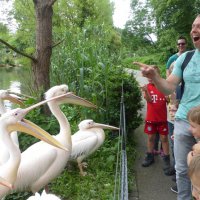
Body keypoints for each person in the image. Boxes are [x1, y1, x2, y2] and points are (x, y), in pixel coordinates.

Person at [133, 14, 200, 200]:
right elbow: (168, 87)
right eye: (193, 26)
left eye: (199, 26)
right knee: (181, 170)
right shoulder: (185, 58)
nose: (193, 30)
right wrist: (154, 77)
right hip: (183, 121)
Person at [141, 66, 171, 175]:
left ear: (157, 75)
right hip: (151, 118)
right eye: (148, 75)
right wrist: (145, 91)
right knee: (150, 137)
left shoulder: (164, 87)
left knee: (164, 138)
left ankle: (167, 160)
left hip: (162, 118)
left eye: (152, 75)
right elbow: (149, 100)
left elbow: (169, 101)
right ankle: (150, 156)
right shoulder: (147, 87)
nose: (150, 78)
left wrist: (169, 99)